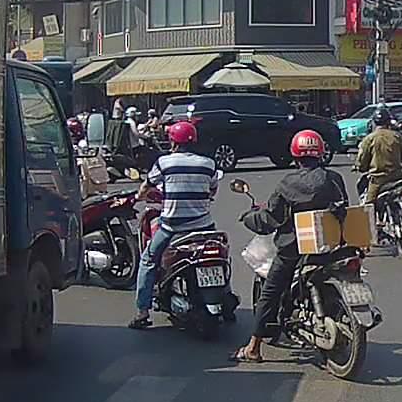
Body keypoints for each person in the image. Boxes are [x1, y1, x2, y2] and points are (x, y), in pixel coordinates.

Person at [233, 130, 348, 363]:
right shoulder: (334, 178)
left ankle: (253, 347)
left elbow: (269, 219)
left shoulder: (288, 183)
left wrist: (248, 218)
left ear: (295, 156)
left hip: (295, 249)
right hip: (332, 246)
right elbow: (343, 206)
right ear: (321, 153)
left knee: (270, 292)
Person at [128, 121, 219, 330]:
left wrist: (139, 197)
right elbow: (212, 190)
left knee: (148, 260)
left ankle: (142, 312)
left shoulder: (164, 162)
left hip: (172, 227)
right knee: (216, 255)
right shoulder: (209, 163)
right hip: (204, 227)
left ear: (173, 142)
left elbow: (147, 185)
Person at [354, 107, 402, 205]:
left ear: (374, 122)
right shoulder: (397, 136)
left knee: (369, 206)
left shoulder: (369, 139)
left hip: (378, 180)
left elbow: (362, 162)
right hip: (398, 177)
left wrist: (359, 167)